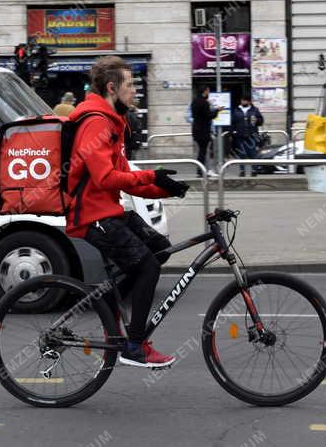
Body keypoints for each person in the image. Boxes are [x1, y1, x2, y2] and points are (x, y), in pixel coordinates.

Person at [66, 56, 190, 368]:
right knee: (147, 267)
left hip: (109, 210)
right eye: (131, 85)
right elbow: (104, 178)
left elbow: (126, 181)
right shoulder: (96, 122)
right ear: (112, 88)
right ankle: (135, 345)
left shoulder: (113, 123)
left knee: (159, 249)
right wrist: (152, 175)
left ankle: (108, 307)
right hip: (92, 216)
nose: (135, 90)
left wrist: (167, 188)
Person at [230, 94, 264, 177]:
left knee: (252, 153)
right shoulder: (237, 110)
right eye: (242, 100)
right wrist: (232, 132)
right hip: (240, 135)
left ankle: (254, 170)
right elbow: (232, 122)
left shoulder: (254, 110)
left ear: (249, 101)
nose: (243, 102)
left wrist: (257, 120)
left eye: (244, 100)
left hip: (251, 135)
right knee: (241, 153)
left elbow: (261, 121)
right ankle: (242, 170)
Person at [191, 86, 221, 177]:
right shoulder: (204, 102)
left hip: (196, 129)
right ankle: (201, 171)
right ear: (205, 91)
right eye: (208, 91)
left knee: (201, 151)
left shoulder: (194, 101)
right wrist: (217, 111)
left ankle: (201, 170)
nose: (208, 93)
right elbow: (209, 116)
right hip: (203, 130)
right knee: (203, 151)